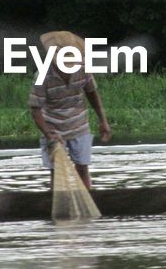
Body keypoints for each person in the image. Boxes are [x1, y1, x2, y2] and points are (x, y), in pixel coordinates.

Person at [28, 31, 112, 190]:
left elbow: (92, 94)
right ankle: (56, 204)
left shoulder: (83, 69)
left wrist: (103, 120)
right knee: (56, 172)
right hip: (52, 127)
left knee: (82, 168)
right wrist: (48, 134)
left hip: (79, 125)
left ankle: (89, 202)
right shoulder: (43, 76)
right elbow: (35, 109)